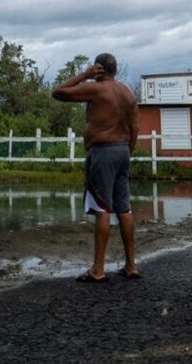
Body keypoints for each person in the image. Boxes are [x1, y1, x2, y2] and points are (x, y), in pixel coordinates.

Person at [52, 52, 140, 282]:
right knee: (124, 208)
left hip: (103, 152)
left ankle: (98, 270)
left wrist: (85, 75)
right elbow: (135, 128)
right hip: (122, 150)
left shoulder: (96, 88)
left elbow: (58, 92)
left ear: (98, 69)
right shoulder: (128, 92)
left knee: (102, 208)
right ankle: (131, 266)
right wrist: (127, 151)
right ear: (116, 70)